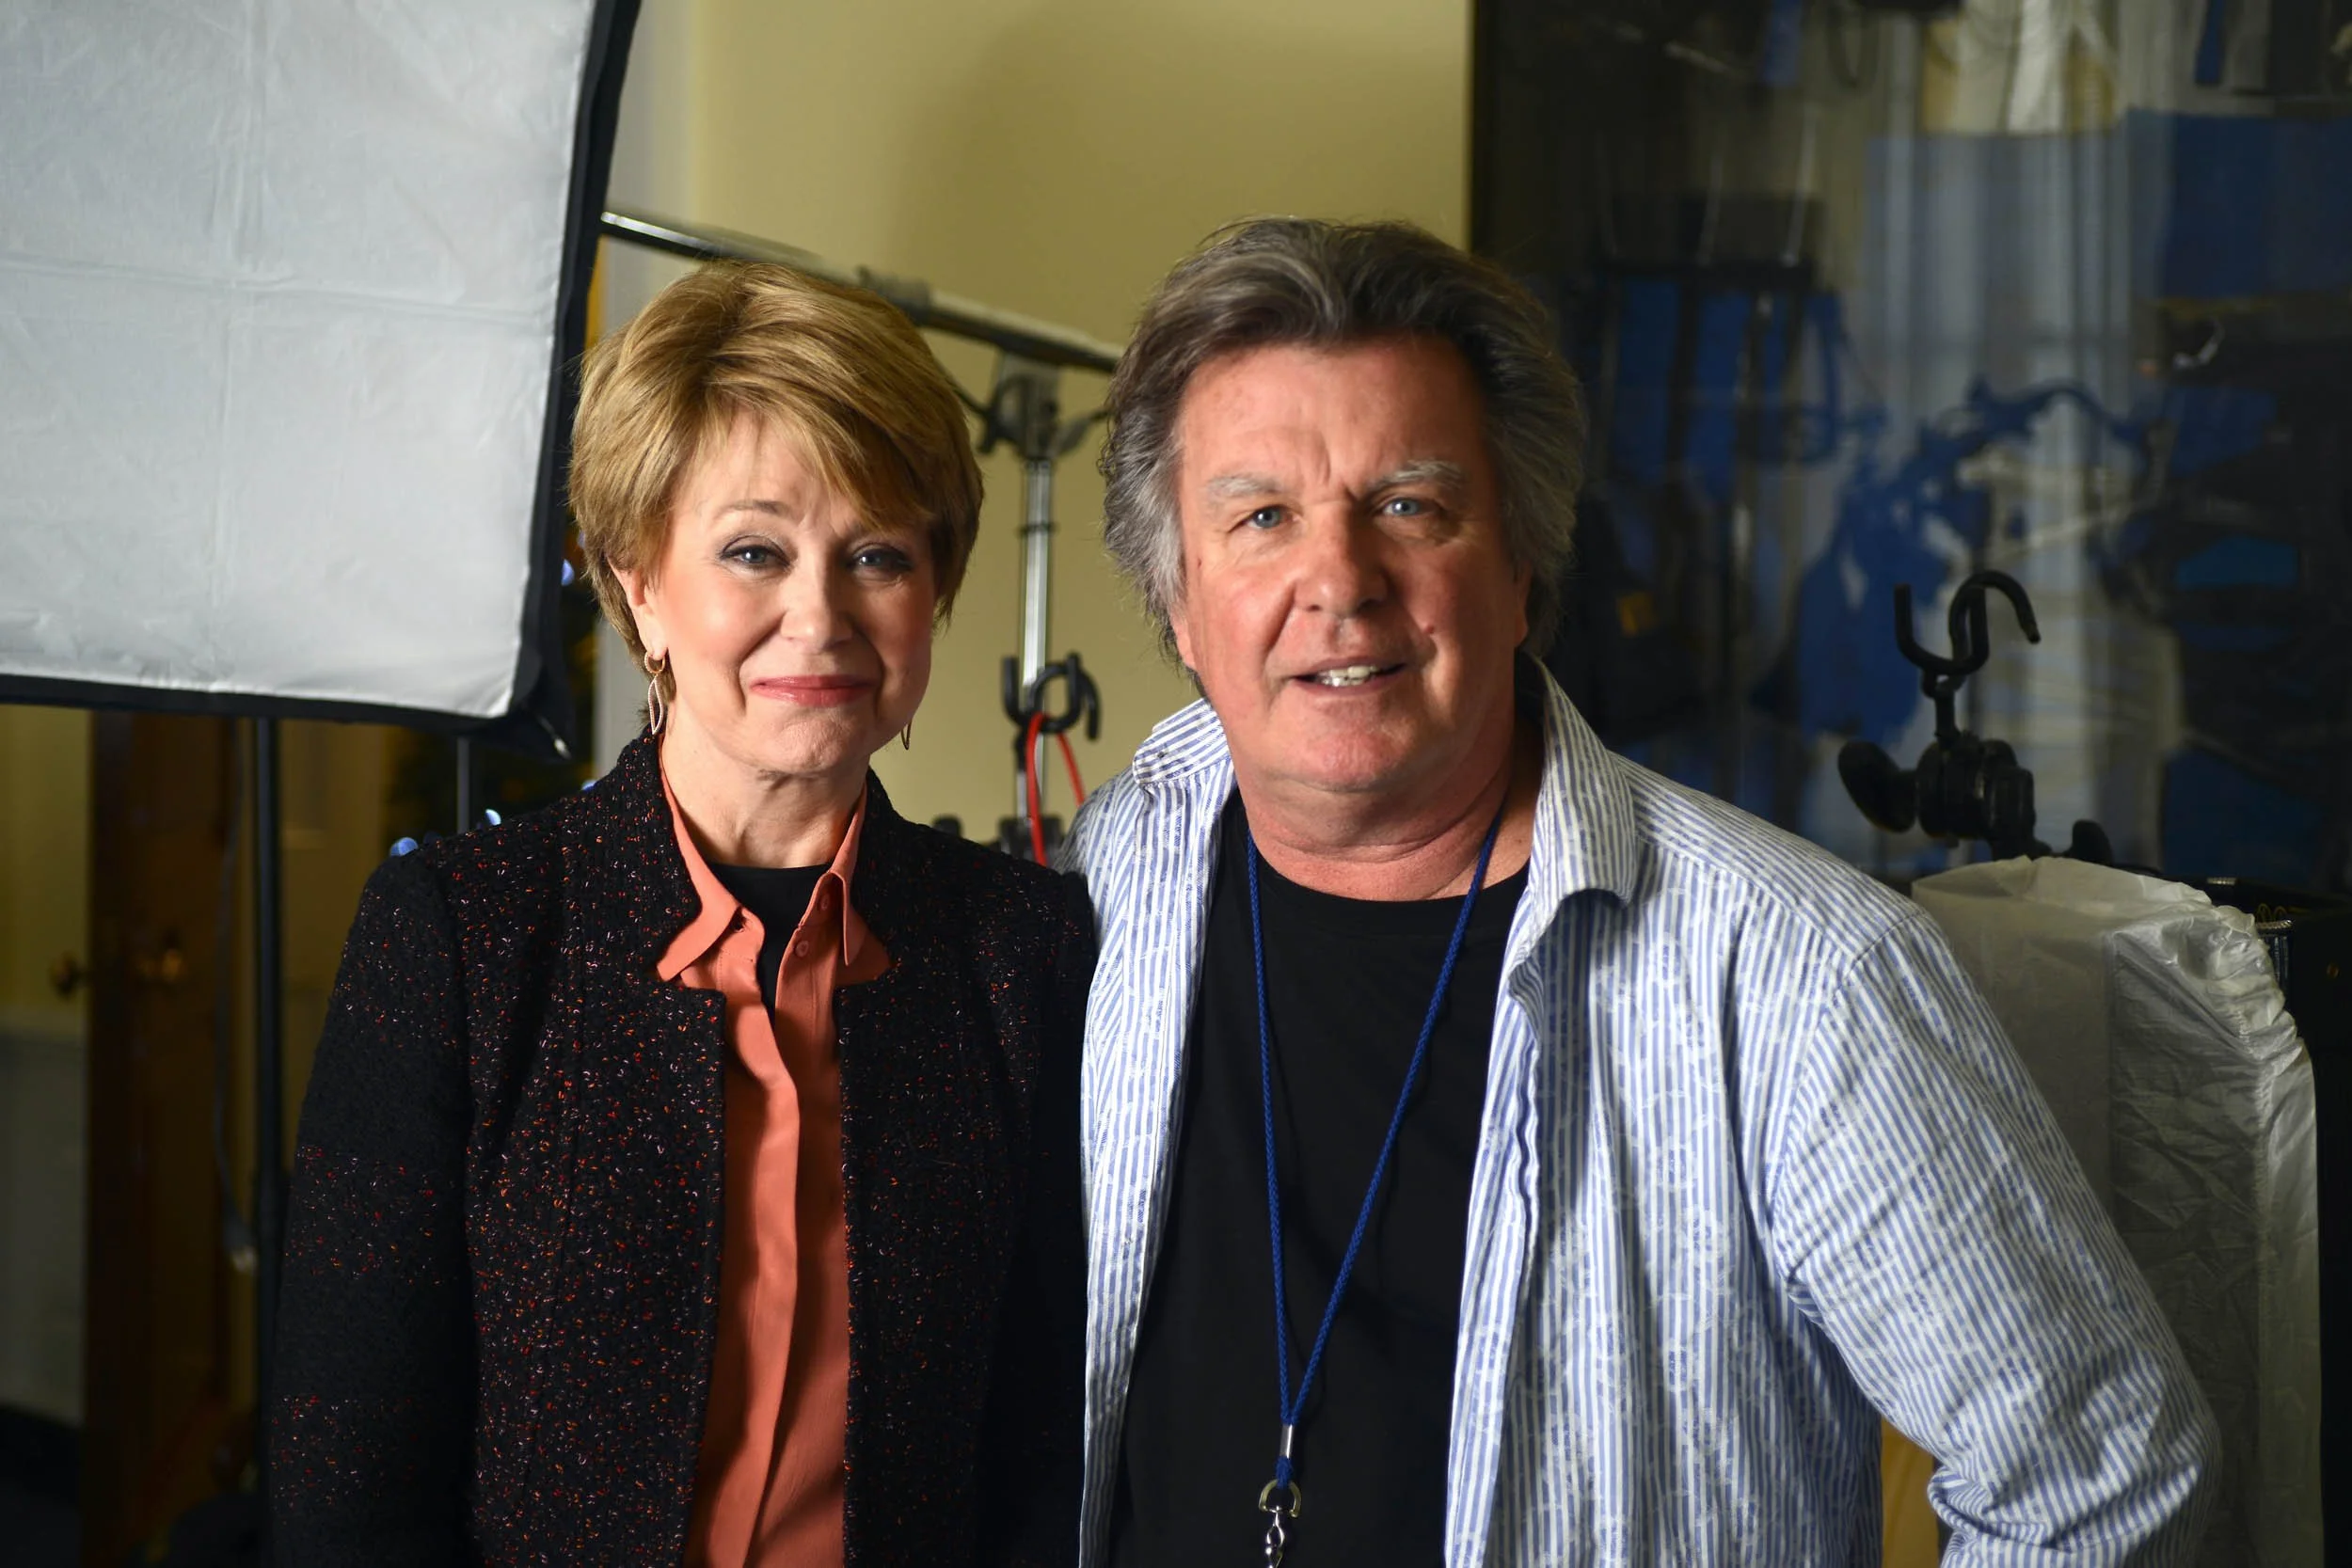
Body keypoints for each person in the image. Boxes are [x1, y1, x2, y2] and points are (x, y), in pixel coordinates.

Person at [1063, 218, 2217, 1566]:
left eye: (1410, 506)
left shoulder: (1802, 978)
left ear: (1520, 569)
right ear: (1178, 597)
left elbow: (2102, 1477)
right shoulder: (1117, 868)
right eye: (1261, 516)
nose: (1341, 582)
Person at [269, 263, 1089, 1567]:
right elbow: (346, 1491)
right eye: (754, 550)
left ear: (933, 590)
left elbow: (1050, 1459)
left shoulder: (1023, 949)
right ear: (640, 578)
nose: (818, 617)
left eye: (877, 553)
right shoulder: (461, 938)